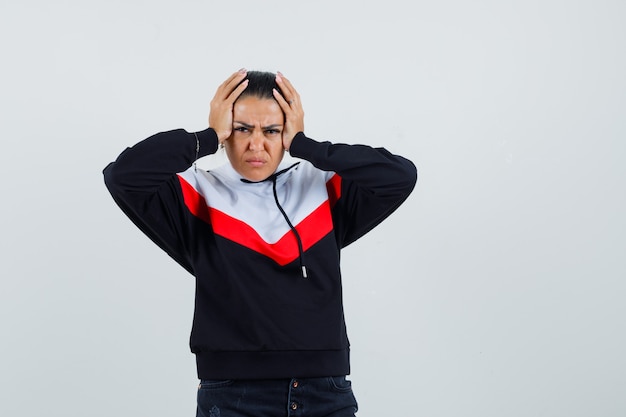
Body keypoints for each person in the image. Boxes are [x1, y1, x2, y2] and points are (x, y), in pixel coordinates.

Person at [103, 69, 417, 417]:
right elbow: (123, 176)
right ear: (226, 130)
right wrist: (205, 137)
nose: (257, 145)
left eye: (272, 130)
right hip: (234, 396)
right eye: (242, 129)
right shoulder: (195, 195)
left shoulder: (321, 189)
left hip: (325, 393)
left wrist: (305, 146)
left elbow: (400, 176)